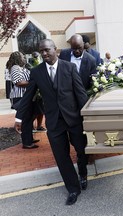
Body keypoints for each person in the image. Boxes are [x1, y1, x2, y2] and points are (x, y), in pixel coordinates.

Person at [14, 39, 89, 205]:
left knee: (81, 150)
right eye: (41, 51)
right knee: (61, 157)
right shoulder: (37, 72)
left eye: (47, 50)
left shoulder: (69, 68)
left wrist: (88, 116)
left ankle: (83, 173)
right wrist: (19, 117)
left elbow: (81, 94)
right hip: (54, 122)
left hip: (73, 119)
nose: (44, 54)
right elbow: (28, 96)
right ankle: (73, 188)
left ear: (56, 50)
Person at [9, 51, 39, 149]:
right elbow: (19, 82)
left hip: (26, 96)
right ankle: (26, 142)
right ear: (17, 58)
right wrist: (34, 83)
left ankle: (29, 138)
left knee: (30, 117)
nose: (24, 58)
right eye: (22, 57)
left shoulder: (23, 68)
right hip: (20, 97)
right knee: (26, 119)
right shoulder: (15, 68)